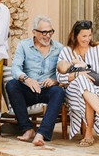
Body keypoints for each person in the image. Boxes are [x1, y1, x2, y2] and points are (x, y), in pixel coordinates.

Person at [5, 16, 65, 146]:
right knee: (11, 85)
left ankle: (41, 133)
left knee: (59, 91)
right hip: (29, 90)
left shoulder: (59, 48)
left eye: (50, 32)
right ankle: (27, 129)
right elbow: (15, 68)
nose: (48, 35)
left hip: (47, 90)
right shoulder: (24, 46)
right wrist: (26, 79)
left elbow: (65, 71)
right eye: (44, 32)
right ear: (34, 32)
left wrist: (55, 80)